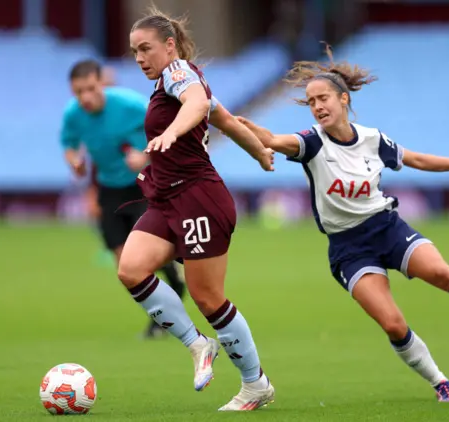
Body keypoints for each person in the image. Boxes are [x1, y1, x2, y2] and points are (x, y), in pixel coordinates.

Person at [237, 48, 449, 402]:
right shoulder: (311, 143)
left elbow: (416, 159)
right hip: (349, 249)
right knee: (394, 324)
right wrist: (230, 121)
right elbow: (273, 140)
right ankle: (440, 382)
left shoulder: (372, 139)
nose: (317, 107)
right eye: (311, 102)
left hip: (387, 228)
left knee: (445, 274)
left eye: (323, 98)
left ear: (343, 98)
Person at [118, 7, 276, 411]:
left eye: (146, 49)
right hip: (169, 199)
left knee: (209, 298)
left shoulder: (178, 73)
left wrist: (171, 131)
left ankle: (255, 384)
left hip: (199, 199)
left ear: (169, 46)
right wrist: (259, 151)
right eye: (135, 51)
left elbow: (196, 103)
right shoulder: (170, 83)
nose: (139, 58)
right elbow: (222, 117)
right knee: (131, 268)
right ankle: (197, 344)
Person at [60, 59, 187, 339]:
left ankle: (166, 314)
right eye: (78, 92)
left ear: (101, 83)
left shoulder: (131, 105)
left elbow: (169, 132)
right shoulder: (73, 115)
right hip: (109, 190)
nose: (85, 98)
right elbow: (68, 145)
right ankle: (165, 305)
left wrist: (145, 155)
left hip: (143, 186)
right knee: (126, 268)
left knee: (143, 259)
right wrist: (75, 162)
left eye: (90, 89)